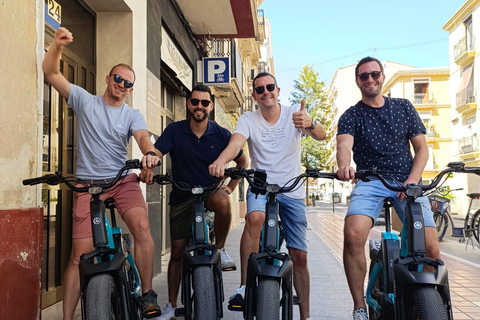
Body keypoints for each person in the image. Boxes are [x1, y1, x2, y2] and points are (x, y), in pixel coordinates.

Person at [43, 27, 161, 319]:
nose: (121, 84)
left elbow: (144, 139)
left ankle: (147, 294)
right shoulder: (85, 100)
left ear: (131, 89)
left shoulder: (132, 114)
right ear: (108, 79)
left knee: (142, 227)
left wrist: (148, 154)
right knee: (77, 257)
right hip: (88, 186)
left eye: (127, 83)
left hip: (121, 181)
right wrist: (57, 45)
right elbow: (51, 74)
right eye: (118, 78)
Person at [209, 72, 326, 320]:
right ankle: (243, 286)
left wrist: (310, 123)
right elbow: (236, 143)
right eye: (260, 89)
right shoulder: (248, 119)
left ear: (278, 90)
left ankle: (305, 316)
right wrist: (221, 160)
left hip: (292, 187)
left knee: (300, 256)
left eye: (270, 87)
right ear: (254, 95)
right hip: (261, 183)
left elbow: (322, 134)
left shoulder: (294, 113)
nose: (266, 92)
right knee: (254, 219)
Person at [335, 56, 440, 320]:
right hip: (370, 181)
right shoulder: (351, 115)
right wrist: (344, 165)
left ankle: (427, 305)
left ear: (382, 76)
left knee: (431, 249)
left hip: (407, 179)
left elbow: (422, 149)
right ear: (357, 81)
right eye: (363, 76)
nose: (370, 79)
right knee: (353, 235)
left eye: (374, 74)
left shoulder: (404, 107)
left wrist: (413, 179)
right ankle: (359, 307)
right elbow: (343, 146)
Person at [140, 84, 248, 319]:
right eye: (195, 102)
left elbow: (243, 161)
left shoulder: (221, 134)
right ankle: (170, 304)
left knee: (222, 202)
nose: (200, 106)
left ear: (211, 106)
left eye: (204, 102)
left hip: (210, 192)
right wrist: (150, 161)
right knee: (177, 253)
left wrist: (230, 187)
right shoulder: (174, 130)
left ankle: (220, 249)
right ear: (189, 104)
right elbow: (157, 152)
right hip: (181, 195)